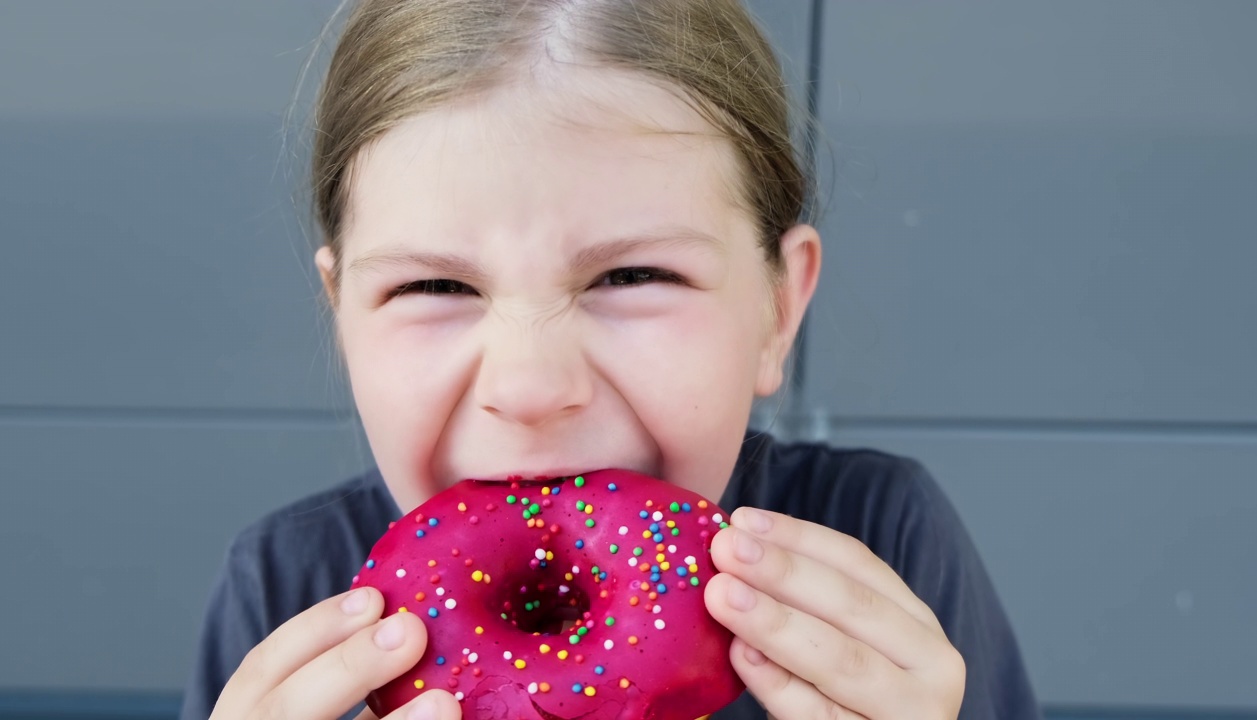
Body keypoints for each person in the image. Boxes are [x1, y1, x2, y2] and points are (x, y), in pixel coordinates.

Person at [182, 1, 1042, 718]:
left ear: (778, 309)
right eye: (435, 286)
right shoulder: (287, 591)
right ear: (344, 319)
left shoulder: (884, 548)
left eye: (633, 276)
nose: (530, 387)